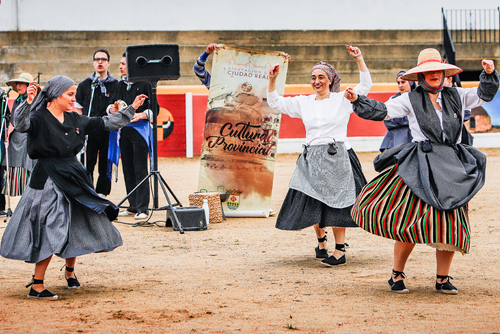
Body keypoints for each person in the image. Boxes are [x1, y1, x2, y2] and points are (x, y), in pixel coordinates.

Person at [346, 48, 498, 294]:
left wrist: (489, 73)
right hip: (421, 165)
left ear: (443, 72)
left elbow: (484, 94)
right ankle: (397, 274)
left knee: (450, 223)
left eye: (437, 70)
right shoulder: (409, 99)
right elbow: (382, 111)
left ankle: (442, 278)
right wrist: (356, 100)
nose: (434, 74)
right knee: (410, 221)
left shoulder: (457, 94)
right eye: (428, 71)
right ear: (421, 76)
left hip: (452, 165)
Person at [0, 75, 147, 300]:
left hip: (74, 176)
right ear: (55, 94)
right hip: (47, 179)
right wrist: (28, 103)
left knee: (76, 221)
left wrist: (132, 109)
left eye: (74, 94)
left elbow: (105, 123)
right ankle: (37, 285)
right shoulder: (38, 117)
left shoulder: (74, 119)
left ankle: (69, 272)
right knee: (49, 227)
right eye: (70, 94)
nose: (73, 98)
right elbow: (20, 125)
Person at [267, 45, 372, 267]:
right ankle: (321, 242)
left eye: (321, 77)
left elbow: (366, 86)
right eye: (313, 77)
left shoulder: (343, 98)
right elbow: (275, 103)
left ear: (330, 79)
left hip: (338, 157)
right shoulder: (303, 102)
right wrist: (272, 80)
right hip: (312, 158)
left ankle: (340, 250)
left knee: (338, 203)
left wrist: (359, 59)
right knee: (313, 200)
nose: (316, 81)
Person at [108, 53, 156, 220]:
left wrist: (143, 115)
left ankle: (143, 207)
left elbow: (155, 108)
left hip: (140, 130)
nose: (120, 67)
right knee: (127, 167)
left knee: (140, 168)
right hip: (124, 130)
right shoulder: (120, 85)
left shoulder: (146, 84)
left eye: (123, 64)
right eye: (120, 64)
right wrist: (111, 110)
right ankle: (133, 206)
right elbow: (113, 104)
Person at [75, 49, 118, 197]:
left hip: (107, 130)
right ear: (93, 62)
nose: (100, 62)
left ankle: (102, 193)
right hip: (89, 130)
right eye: (97, 59)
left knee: (105, 163)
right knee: (87, 162)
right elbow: (78, 108)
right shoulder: (85, 85)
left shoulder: (115, 85)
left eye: (103, 59)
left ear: (108, 63)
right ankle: (87, 192)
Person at [3, 73, 38, 200]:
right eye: (17, 84)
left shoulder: (34, 101)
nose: (18, 86)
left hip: (27, 141)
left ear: (29, 86)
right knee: (17, 176)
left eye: (22, 83)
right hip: (15, 141)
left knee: (29, 175)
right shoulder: (18, 101)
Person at [379, 71, 416, 151]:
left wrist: (398, 120)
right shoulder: (393, 99)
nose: (400, 85)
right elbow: (388, 121)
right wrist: (406, 121)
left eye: (403, 82)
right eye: (398, 83)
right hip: (395, 137)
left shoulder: (417, 98)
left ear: (411, 82)